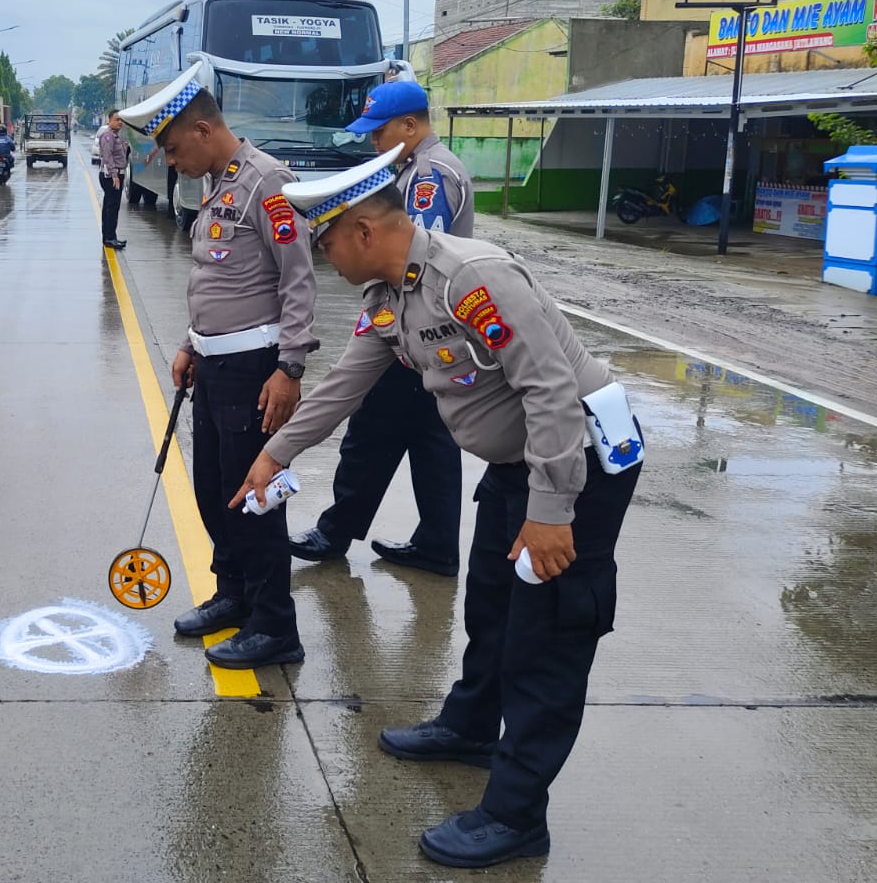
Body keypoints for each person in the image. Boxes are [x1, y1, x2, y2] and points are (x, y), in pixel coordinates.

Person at [233, 147, 643, 869]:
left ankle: (516, 816)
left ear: (362, 230)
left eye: (325, 242)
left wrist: (551, 514)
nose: (322, 258)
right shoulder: (389, 300)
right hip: (518, 470)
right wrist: (276, 454)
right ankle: (472, 726)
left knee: (544, 644)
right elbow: (343, 388)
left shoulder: (472, 280)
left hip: (576, 468)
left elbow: (551, 393)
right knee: (489, 607)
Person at [117, 58, 318, 669]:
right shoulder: (217, 182)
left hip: (256, 370)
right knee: (212, 493)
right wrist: (188, 343)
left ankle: (275, 627)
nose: (171, 163)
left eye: (175, 150)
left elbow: (298, 282)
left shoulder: (267, 183)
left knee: (253, 502)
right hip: (213, 366)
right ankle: (233, 593)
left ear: (203, 131)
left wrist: (290, 368)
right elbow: (215, 280)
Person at [291, 78, 474, 577]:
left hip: (415, 331)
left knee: (372, 434)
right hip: (433, 335)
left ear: (410, 125)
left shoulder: (429, 177)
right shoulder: (418, 168)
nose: (373, 143)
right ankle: (434, 544)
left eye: (380, 132)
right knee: (430, 440)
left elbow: (414, 261)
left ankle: (336, 532)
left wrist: (380, 326)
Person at [97, 109, 129, 249]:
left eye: (121, 120)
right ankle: (109, 238)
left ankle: (110, 236)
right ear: (109, 121)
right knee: (112, 207)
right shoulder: (108, 136)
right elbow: (107, 157)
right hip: (111, 176)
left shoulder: (116, 136)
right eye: (117, 119)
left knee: (111, 206)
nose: (120, 122)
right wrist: (114, 175)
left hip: (116, 174)